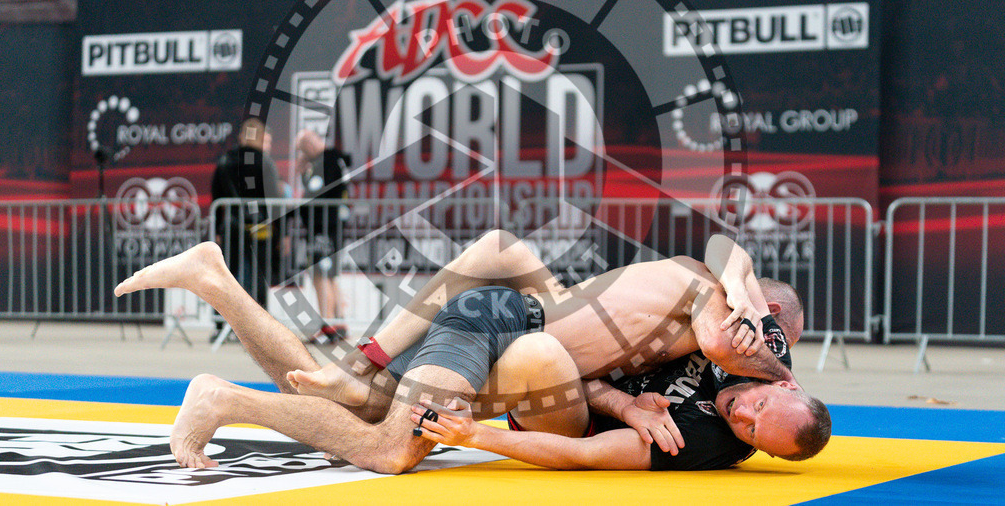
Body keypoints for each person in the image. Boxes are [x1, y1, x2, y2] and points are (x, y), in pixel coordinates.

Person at [115, 231, 824, 473]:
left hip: (508, 329)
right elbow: (727, 258)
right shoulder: (708, 301)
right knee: (391, 445)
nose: (747, 401)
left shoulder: (716, 421)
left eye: (755, 422)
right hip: (512, 337)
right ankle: (223, 398)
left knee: (354, 397)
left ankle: (215, 277)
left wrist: (624, 402)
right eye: (760, 394)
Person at [409, 277, 829, 470]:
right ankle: (381, 362)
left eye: (752, 433)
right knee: (502, 251)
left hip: (571, 420)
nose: (742, 415)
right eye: (760, 406)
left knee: (541, 350)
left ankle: (403, 417)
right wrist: (628, 405)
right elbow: (724, 256)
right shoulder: (763, 346)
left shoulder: (701, 442)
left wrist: (476, 437)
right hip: (595, 372)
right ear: (785, 384)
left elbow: (583, 454)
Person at [210, 118, 281, 329]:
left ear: (242, 137)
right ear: (260, 139)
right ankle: (259, 328)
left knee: (225, 276)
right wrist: (281, 232)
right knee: (259, 277)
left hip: (230, 226)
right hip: (260, 226)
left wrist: (217, 230)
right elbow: (275, 200)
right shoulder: (265, 162)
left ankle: (220, 325)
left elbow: (217, 198)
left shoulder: (224, 161)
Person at [294, 129, 352, 343]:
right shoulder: (334, 160)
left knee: (321, 275)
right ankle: (338, 324)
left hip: (323, 228)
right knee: (330, 275)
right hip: (330, 226)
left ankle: (328, 327)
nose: (302, 155)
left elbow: (313, 194)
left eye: (302, 150)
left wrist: (305, 173)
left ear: (310, 144)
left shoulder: (325, 161)